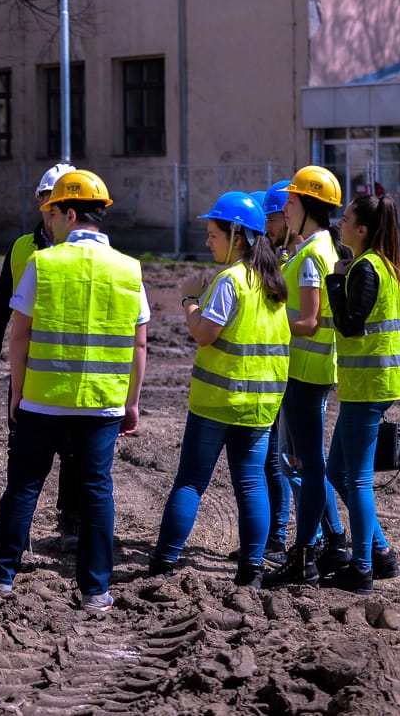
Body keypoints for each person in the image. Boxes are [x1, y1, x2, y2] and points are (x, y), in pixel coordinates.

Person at [0, 170, 148, 612]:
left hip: (42, 400)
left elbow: (20, 335)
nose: (47, 222)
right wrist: (131, 402)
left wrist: (18, 392)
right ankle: (96, 591)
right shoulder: (129, 268)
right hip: (101, 403)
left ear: (70, 214)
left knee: (24, 487)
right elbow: (138, 342)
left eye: (53, 214)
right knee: (96, 493)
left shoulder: (43, 264)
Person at [148, 191, 289, 588]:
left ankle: (164, 562)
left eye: (213, 234)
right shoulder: (273, 282)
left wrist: (190, 299)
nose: (208, 241)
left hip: (216, 403)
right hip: (260, 407)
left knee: (191, 482)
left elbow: (205, 334)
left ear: (238, 235)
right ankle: (252, 570)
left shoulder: (231, 281)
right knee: (252, 484)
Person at [0, 163, 79, 544]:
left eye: (57, 198)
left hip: (72, 365)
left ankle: (71, 523)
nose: (49, 204)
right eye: (45, 197)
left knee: (72, 452)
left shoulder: (87, 250)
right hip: (28, 365)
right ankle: (17, 528)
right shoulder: (22, 248)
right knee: (22, 449)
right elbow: (0, 299)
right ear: (40, 202)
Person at [263, 167, 351, 587]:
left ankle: (305, 556)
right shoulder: (318, 248)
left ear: (309, 208)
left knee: (308, 465)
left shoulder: (315, 254)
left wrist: (269, 318)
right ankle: (327, 544)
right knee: (303, 462)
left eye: (292, 202)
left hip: (306, 373)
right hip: (306, 372)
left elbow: (311, 321)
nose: (285, 207)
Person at [322, 192, 400, 594]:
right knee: (337, 472)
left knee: (355, 480)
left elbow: (349, 324)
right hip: (376, 382)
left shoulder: (366, 269)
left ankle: (361, 569)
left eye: (345, 220)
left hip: (368, 386)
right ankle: (381, 554)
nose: (339, 225)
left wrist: (335, 280)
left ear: (362, 230)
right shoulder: (387, 265)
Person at [259, 179, 294, 565]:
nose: (267, 226)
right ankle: (276, 536)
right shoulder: (283, 253)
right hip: (282, 368)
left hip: (294, 372)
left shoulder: (297, 257)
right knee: (277, 458)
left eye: (272, 218)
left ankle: (279, 537)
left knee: (284, 459)